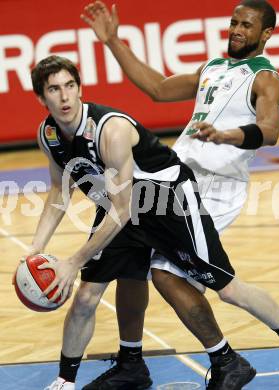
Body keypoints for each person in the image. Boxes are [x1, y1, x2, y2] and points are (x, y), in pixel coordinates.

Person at [77, 0, 279, 389]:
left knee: (198, 282)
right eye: (234, 22)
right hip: (170, 181)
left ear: (266, 34)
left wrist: (230, 135)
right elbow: (156, 88)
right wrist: (113, 42)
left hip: (215, 189)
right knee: (136, 265)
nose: (237, 29)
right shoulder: (213, 68)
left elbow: (270, 129)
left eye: (247, 25)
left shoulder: (266, 78)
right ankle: (139, 362)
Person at [27, 54, 255, 390]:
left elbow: (123, 205)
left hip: (160, 204)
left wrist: (73, 261)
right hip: (119, 207)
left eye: (70, 86)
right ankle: (72, 379)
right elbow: (60, 193)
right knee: (90, 295)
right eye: (54, 89)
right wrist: (35, 248)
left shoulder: (108, 128)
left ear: (79, 88)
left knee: (220, 285)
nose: (63, 97)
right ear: (41, 97)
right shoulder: (48, 135)